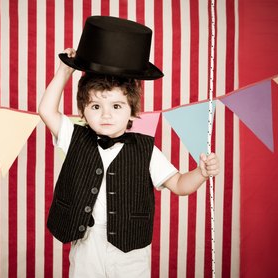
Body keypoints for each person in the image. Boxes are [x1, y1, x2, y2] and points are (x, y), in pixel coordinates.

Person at [38, 16, 219, 278]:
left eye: (116, 106)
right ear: (83, 111)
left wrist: (201, 173)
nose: (106, 115)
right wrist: (65, 71)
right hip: (86, 242)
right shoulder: (74, 136)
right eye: (96, 107)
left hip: (131, 251)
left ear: (132, 111)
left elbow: (179, 184)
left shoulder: (146, 150)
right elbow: (46, 110)